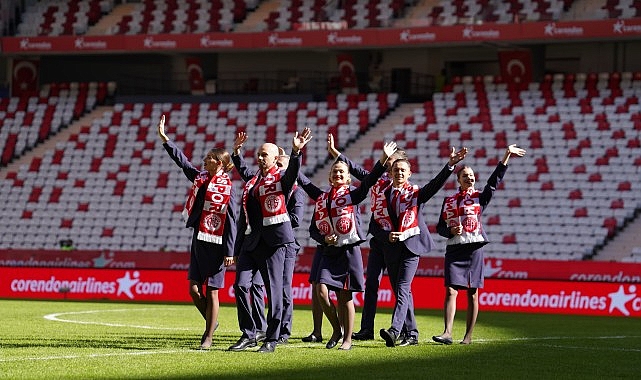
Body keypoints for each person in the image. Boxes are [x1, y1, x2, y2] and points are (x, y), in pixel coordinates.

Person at [298, 141, 398, 351]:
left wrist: (381, 160)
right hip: (329, 251)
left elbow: (370, 180)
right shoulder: (322, 197)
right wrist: (294, 156)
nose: (338, 174)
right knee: (321, 292)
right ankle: (337, 329)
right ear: (329, 176)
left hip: (350, 250)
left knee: (345, 297)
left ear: (348, 177)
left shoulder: (352, 195)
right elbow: (305, 186)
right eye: (335, 171)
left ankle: (347, 340)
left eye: (342, 172)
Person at [228, 128, 312, 353]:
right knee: (240, 285)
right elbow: (243, 169)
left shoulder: (283, 180)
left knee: (274, 291)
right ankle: (249, 333)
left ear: (276, 159)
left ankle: (272, 339)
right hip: (251, 241)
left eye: (265, 154)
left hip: (275, 242)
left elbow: (293, 172)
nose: (260, 158)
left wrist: (295, 152)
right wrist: (236, 152)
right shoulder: (254, 179)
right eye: (258, 154)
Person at [432, 144, 526, 345]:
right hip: (454, 248)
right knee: (450, 290)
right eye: (465, 176)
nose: (470, 178)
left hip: (474, 247)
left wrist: (506, 156)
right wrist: (449, 231)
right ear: (458, 180)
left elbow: (494, 183)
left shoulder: (479, 197)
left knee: (473, 292)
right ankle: (447, 333)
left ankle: (468, 336)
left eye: (472, 176)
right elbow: (439, 227)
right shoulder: (448, 200)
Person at [158, 114, 237, 349]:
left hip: (218, 242)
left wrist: (230, 250)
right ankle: (212, 324)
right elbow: (183, 162)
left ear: (219, 163)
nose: (204, 160)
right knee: (194, 289)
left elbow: (232, 221)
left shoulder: (228, 189)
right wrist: (165, 139)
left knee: (212, 290)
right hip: (199, 239)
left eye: (209, 158)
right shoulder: (200, 179)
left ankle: (208, 337)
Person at [377, 147, 468, 347]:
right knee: (403, 292)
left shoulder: (416, 193)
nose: (399, 173)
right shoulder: (384, 194)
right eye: (396, 170)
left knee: (402, 288)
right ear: (390, 173)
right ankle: (412, 334)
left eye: (403, 170)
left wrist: (450, 165)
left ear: (409, 173)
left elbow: (435, 185)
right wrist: (386, 235)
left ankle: (394, 330)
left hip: (412, 246)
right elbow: (375, 224)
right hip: (392, 248)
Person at [326, 134, 408, 342]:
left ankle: (408, 329)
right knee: (371, 283)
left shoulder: (402, 188)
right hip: (378, 238)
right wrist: (336, 154)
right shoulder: (378, 182)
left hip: (396, 241)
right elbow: (355, 169)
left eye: (390, 162)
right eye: (387, 162)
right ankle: (366, 329)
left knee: (400, 287)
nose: (387, 165)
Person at [249, 146, 306, 345]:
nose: (279, 170)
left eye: (282, 166)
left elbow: (296, 219)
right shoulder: (264, 186)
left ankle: (283, 331)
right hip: (263, 240)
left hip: (285, 243)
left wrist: (274, 220)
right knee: (255, 285)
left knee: (283, 289)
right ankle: (260, 327)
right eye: (278, 165)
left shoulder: (297, 193)